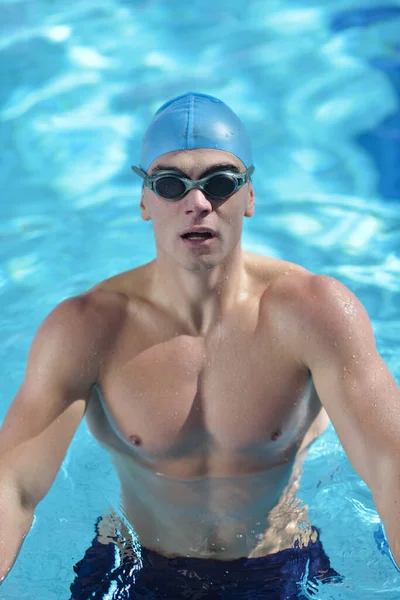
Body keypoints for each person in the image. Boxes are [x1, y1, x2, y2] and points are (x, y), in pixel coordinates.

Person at [0, 92, 399, 599]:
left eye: (220, 182)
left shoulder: (314, 314)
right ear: (144, 202)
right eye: (169, 184)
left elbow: (393, 467)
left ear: (250, 197)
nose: (198, 202)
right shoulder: (87, 329)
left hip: (276, 562)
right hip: (132, 566)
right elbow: (12, 486)